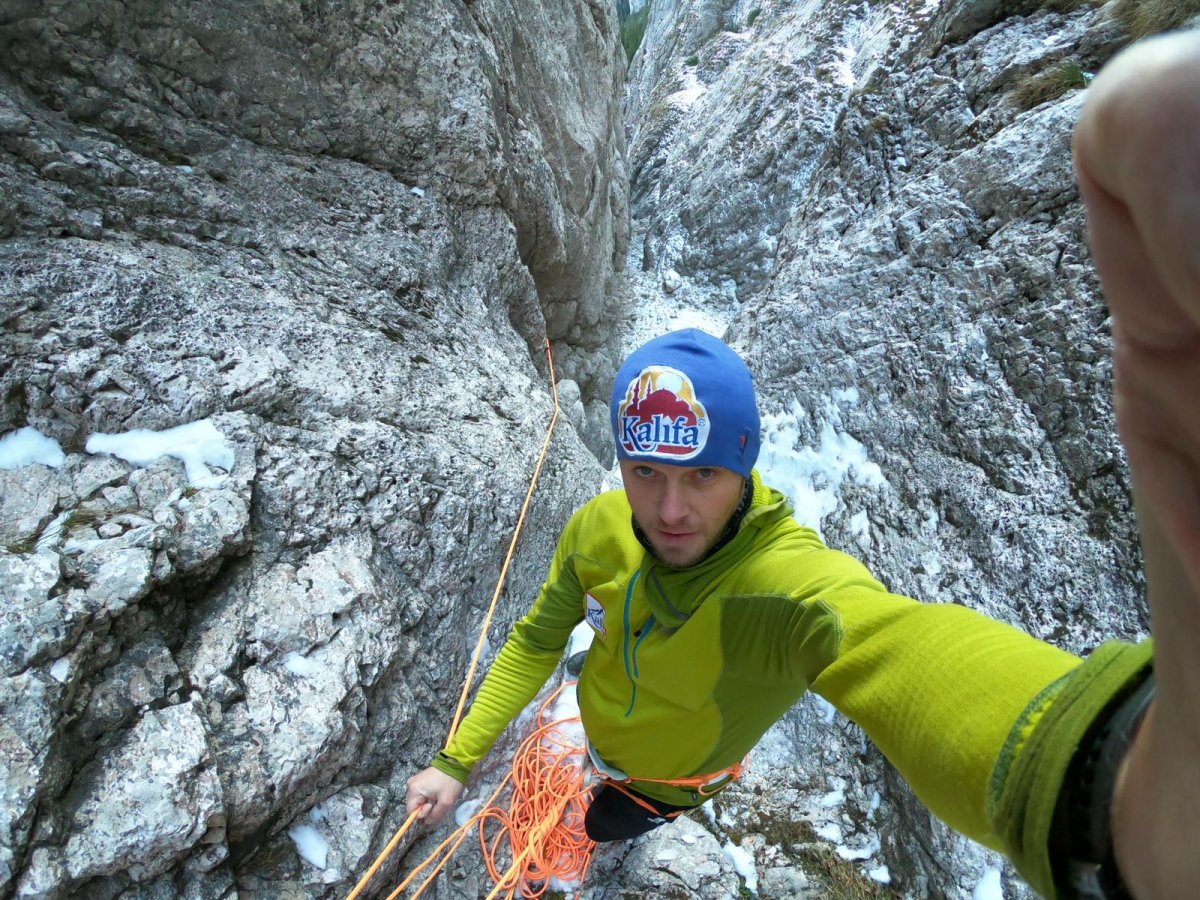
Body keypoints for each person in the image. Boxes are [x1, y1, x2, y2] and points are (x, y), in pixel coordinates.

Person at [407, 31, 1200, 899]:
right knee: (598, 789)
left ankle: (625, 806)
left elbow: (884, 641)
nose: (668, 509)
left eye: (702, 476)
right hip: (612, 740)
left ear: (745, 469)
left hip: (671, 784)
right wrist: (456, 760)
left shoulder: (779, 590)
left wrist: (1103, 770)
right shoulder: (600, 528)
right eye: (646, 473)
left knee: (606, 822)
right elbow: (535, 635)